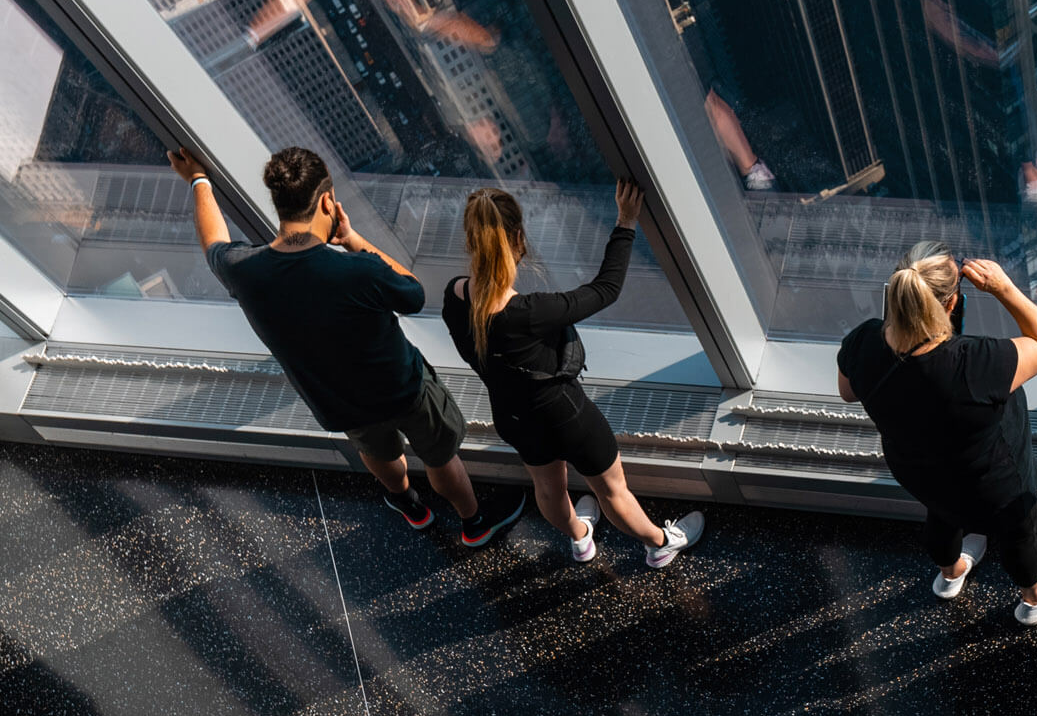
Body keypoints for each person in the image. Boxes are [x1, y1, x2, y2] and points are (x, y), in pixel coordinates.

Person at [168, 146, 524, 546]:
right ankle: (473, 522)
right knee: (440, 455)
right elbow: (413, 293)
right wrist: (352, 239)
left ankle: (408, 504)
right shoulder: (356, 270)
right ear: (327, 201)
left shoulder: (244, 270)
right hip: (402, 388)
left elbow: (213, 242)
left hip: (339, 403)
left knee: (379, 454)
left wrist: (198, 179)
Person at [440, 180, 705, 568]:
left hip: (512, 416)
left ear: (470, 242)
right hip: (566, 416)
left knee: (548, 490)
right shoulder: (530, 311)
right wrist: (626, 222)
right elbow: (607, 288)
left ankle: (581, 539)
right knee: (612, 491)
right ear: (518, 238)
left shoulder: (454, 297)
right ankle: (660, 543)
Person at [837, 241, 1037, 624]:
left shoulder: (864, 340)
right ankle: (1035, 599)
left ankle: (950, 575)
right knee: (1018, 534)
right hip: (993, 483)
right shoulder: (975, 362)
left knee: (940, 514)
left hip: (917, 470)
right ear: (950, 305)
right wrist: (1003, 288)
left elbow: (848, 392)